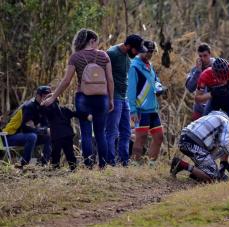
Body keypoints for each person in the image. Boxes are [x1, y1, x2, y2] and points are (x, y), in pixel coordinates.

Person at [42, 28, 114, 169]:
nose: (97, 45)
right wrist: (111, 99)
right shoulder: (104, 56)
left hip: (83, 97)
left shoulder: (75, 57)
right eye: (96, 42)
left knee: (86, 133)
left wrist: (53, 97)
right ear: (92, 40)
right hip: (101, 98)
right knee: (100, 133)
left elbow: (66, 81)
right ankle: (103, 165)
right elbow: (110, 80)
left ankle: (88, 165)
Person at [170, 111, 229, 182]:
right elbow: (225, 143)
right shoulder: (226, 122)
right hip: (192, 143)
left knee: (223, 149)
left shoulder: (212, 117)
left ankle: (198, 173)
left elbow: (221, 146)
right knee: (213, 177)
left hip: (185, 139)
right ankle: (180, 164)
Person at [106, 34, 147, 166]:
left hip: (124, 99)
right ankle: (110, 162)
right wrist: (108, 97)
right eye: (136, 50)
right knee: (112, 132)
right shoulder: (112, 54)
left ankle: (123, 162)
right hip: (114, 98)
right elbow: (103, 75)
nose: (137, 53)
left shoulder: (129, 57)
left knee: (126, 132)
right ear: (128, 46)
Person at [128, 40, 164, 166]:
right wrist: (132, 110)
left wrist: (159, 86)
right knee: (140, 139)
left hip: (153, 109)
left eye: (152, 52)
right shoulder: (134, 67)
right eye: (147, 52)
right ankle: (134, 166)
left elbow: (155, 80)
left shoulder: (150, 65)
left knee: (159, 137)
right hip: (140, 110)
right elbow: (130, 90)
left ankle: (151, 166)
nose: (149, 55)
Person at [2, 86, 52, 168]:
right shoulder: (29, 106)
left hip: (24, 136)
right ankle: (24, 164)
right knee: (32, 136)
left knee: (49, 135)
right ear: (38, 96)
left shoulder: (43, 107)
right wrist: (43, 130)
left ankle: (44, 163)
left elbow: (45, 125)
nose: (45, 99)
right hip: (9, 137)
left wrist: (45, 130)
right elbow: (26, 129)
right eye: (43, 96)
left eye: (47, 97)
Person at [44, 100, 92, 171]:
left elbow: (40, 114)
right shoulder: (64, 109)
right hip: (67, 134)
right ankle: (73, 168)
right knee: (69, 153)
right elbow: (76, 113)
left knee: (55, 154)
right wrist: (86, 115)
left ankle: (55, 168)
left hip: (57, 136)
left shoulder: (49, 111)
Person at [185, 43, 214, 120]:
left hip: (215, 108)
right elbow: (190, 88)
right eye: (200, 56)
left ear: (210, 54)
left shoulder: (217, 66)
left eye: (205, 55)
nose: (203, 59)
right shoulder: (195, 69)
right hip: (199, 110)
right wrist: (198, 72)